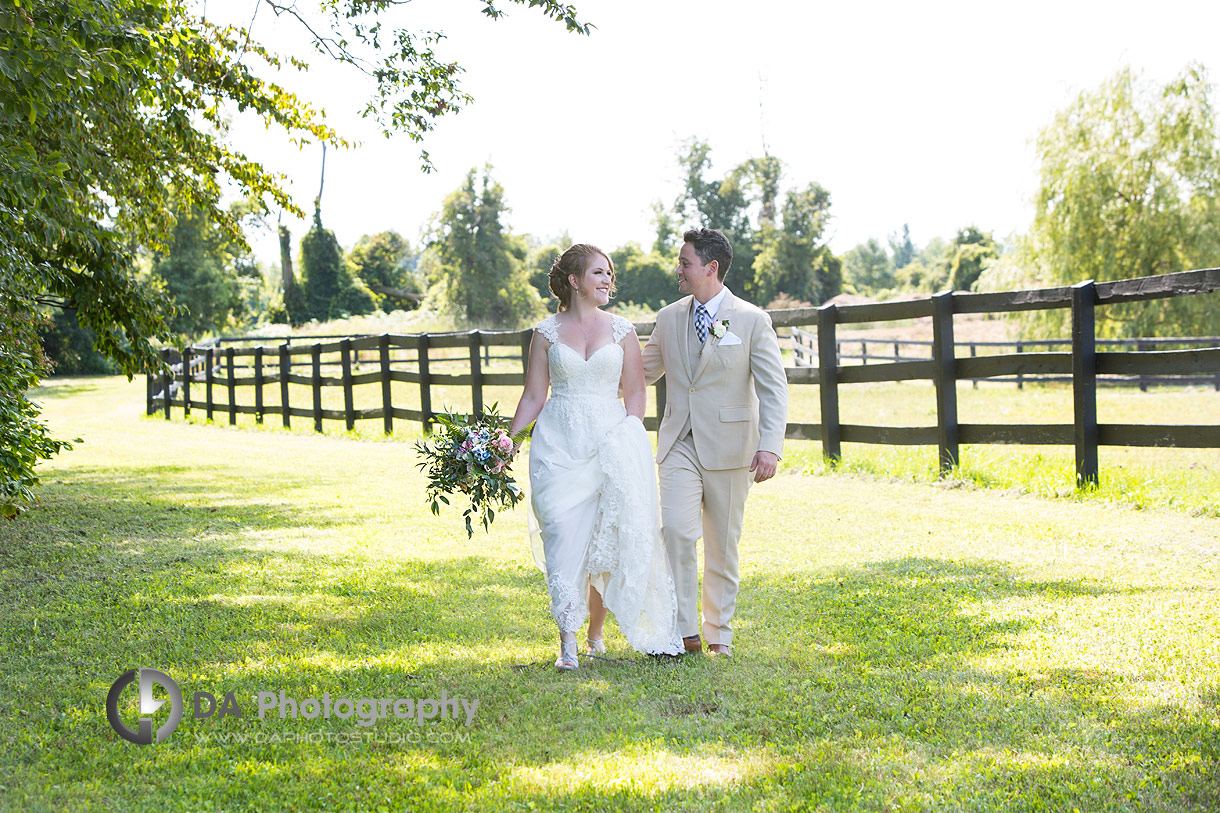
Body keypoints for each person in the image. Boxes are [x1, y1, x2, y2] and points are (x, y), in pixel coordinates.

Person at [509, 244, 682, 670]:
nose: (608, 281)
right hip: (558, 446)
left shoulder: (622, 330)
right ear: (574, 281)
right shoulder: (544, 333)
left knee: (603, 543)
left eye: (609, 274)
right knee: (564, 537)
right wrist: (508, 440)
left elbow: (637, 390)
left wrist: (631, 429)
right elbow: (534, 394)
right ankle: (567, 644)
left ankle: (595, 634)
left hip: (609, 444)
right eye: (599, 273)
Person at [641, 227, 789, 658]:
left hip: (731, 447)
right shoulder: (668, 318)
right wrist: (586, 368)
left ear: (711, 268)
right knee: (678, 534)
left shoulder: (752, 319)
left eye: (685, 262)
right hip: (679, 443)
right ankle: (684, 631)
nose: (678, 270)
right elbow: (643, 371)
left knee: (722, 546)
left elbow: (773, 388)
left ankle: (719, 634)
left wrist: (770, 445)